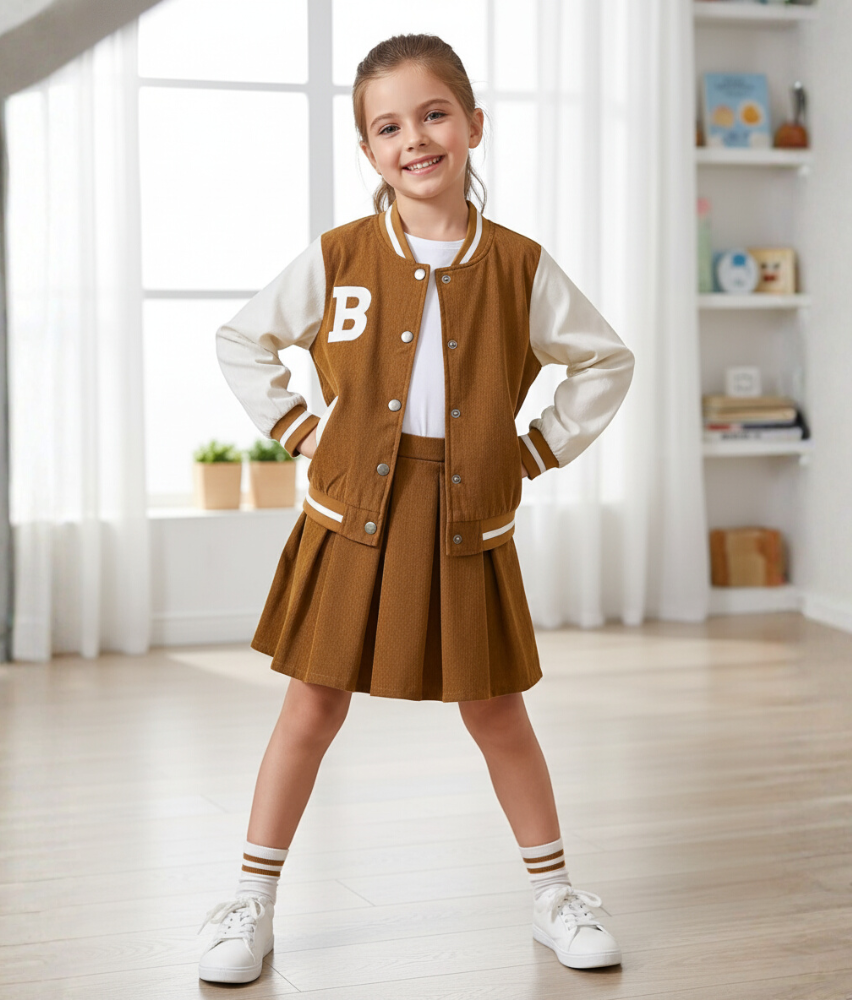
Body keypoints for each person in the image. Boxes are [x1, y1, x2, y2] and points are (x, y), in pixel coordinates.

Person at [198, 32, 635, 985]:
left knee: (497, 711)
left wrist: (536, 448)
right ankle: (251, 902)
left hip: (467, 516)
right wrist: (299, 426)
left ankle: (556, 893)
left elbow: (606, 361)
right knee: (311, 706)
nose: (415, 139)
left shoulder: (520, 265)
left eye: (433, 114)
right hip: (351, 510)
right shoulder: (342, 255)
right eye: (387, 126)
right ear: (368, 151)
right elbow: (244, 339)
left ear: (473, 125)